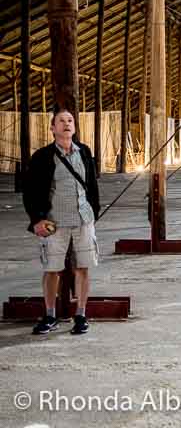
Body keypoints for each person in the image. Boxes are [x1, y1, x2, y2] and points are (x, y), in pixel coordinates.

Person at [23, 109, 100, 336]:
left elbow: (92, 185)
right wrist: (36, 219)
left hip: (83, 220)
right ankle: (49, 315)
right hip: (54, 222)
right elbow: (30, 192)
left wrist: (93, 211)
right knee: (52, 269)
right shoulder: (43, 156)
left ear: (74, 127)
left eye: (70, 121)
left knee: (82, 268)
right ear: (53, 128)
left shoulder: (84, 152)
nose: (66, 124)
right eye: (61, 121)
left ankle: (81, 315)